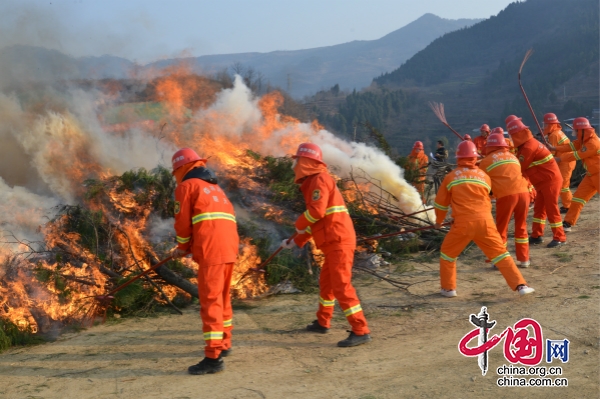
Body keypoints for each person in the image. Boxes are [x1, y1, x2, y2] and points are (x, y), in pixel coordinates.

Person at [281, 143, 371, 347]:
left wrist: (297, 225)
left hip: (338, 241)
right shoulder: (314, 181)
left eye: (297, 161)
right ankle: (323, 322)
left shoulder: (319, 179)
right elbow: (316, 222)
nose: (294, 165)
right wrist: (296, 241)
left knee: (341, 286)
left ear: (306, 162)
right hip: (332, 241)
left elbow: (316, 213)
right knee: (327, 285)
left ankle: (360, 329)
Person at [433, 140, 534, 297]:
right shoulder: (484, 176)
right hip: (485, 222)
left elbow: (441, 204)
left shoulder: (451, 177)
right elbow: (486, 197)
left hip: (463, 225)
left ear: (458, 157)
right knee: (501, 254)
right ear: (475, 157)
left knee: (448, 254)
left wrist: (439, 222)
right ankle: (521, 285)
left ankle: (449, 288)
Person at [171, 148, 239, 375]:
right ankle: (224, 343)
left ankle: (213, 358)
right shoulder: (215, 189)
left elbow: (182, 223)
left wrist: (182, 248)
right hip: (229, 249)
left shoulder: (186, 187)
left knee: (210, 303)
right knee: (222, 298)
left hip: (211, 251)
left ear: (182, 168)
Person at [506, 116, 566, 248]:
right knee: (539, 210)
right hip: (542, 181)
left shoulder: (528, 148)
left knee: (552, 209)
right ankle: (536, 235)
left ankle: (560, 237)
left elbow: (519, 167)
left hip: (549, 181)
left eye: (512, 135)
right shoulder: (526, 145)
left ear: (517, 134)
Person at [479, 133, 532, 267]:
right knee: (521, 226)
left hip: (507, 196)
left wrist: (489, 197)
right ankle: (524, 259)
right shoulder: (513, 157)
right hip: (524, 193)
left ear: (490, 146)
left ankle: (500, 261)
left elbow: (483, 182)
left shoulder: (486, 161)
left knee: (501, 228)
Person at [548, 117, 600, 232]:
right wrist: (554, 148)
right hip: (591, 174)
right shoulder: (584, 140)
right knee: (577, 199)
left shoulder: (592, 143)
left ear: (581, 131)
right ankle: (568, 223)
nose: (574, 132)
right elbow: (571, 146)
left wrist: (559, 159)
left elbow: (577, 155)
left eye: (576, 130)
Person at [543, 113, 576, 213]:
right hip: (566, 160)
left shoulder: (554, 135)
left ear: (549, 125)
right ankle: (567, 204)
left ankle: (569, 206)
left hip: (566, 161)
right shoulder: (558, 132)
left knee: (563, 185)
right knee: (563, 184)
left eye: (545, 124)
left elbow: (551, 153)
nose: (543, 126)